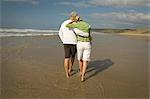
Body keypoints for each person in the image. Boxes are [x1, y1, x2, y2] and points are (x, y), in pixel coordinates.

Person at [66, 15, 92, 81]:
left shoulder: (77, 25)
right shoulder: (87, 24)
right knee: (85, 60)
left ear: (77, 20)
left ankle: (80, 72)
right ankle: (83, 76)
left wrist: (73, 21)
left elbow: (67, 26)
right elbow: (89, 35)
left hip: (80, 44)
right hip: (87, 44)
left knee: (80, 59)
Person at [58, 11, 78, 78]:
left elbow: (60, 33)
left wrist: (63, 40)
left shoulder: (63, 22)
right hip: (74, 42)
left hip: (66, 42)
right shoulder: (75, 23)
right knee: (72, 57)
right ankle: (70, 69)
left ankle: (67, 74)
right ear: (74, 17)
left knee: (66, 58)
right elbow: (77, 32)